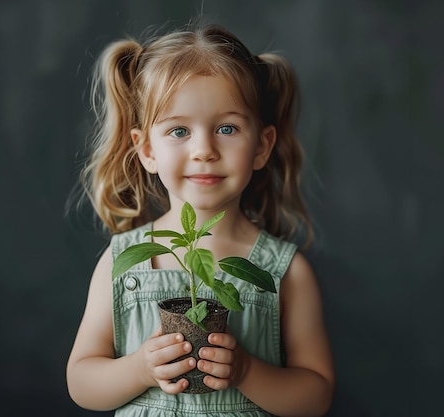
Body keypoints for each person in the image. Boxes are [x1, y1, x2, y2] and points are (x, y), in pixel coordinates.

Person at [66, 22, 334, 417]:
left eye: (227, 128)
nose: (203, 150)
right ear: (146, 150)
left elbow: (316, 397)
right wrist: (139, 368)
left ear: (262, 146)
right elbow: (81, 383)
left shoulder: (287, 273)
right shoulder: (124, 261)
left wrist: (246, 371)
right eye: (178, 130)